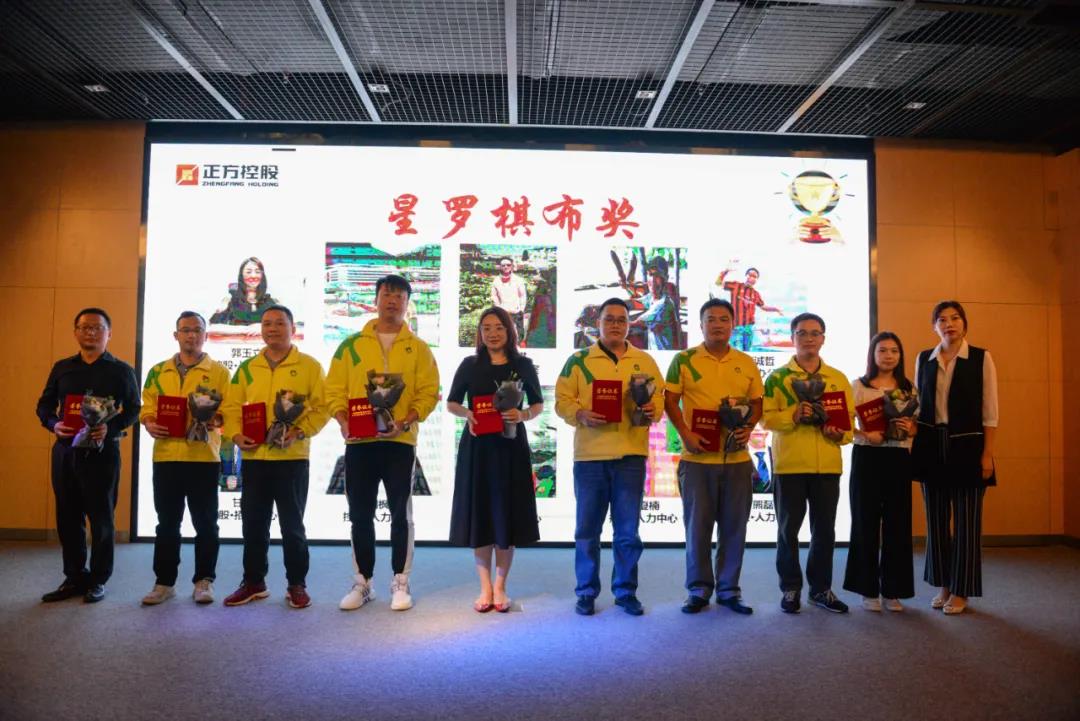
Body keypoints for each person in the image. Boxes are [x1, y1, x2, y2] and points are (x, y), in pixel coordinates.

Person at [326, 274, 440, 612]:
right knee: (360, 514)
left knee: (400, 514)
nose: (392, 301)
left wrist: (406, 420)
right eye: (387, 294)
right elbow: (333, 390)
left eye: (399, 296)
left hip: (400, 442)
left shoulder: (418, 348)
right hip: (360, 443)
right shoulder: (350, 346)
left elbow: (428, 392)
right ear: (375, 300)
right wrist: (343, 419)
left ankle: (400, 581)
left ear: (407, 303)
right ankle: (363, 582)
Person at [555, 297, 664, 616]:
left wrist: (651, 409)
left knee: (628, 531)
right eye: (609, 319)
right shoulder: (579, 360)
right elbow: (562, 401)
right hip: (590, 457)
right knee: (587, 530)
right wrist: (580, 413)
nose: (616, 324)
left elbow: (659, 402)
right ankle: (586, 591)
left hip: (631, 456)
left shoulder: (644, 361)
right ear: (598, 323)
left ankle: (626, 591)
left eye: (621, 320)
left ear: (629, 324)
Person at [220, 305, 329, 609]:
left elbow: (323, 408)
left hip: (292, 459)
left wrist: (300, 431)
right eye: (267, 324)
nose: (272, 329)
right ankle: (254, 582)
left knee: (292, 527)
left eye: (280, 323)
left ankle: (297, 584)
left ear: (293, 329)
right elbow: (231, 407)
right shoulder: (248, 368)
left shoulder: (309, 366)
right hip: (254, 458)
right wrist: (235, 435)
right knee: (253, 525)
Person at [665, 299, 763, 615]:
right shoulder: (684, 359)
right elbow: (670, 401)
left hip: (737, 461)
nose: (717, 324)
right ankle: (698, 590)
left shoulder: (746, 362)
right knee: (697, 529)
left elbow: (757, 403)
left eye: (723, 319)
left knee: (735, 529)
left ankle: (729, 590)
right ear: (701, 324)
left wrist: (748, 428)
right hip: (697, 460)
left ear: (732, 324)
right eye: (711, 319)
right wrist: (685, 434)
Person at [36, 308, 140, 604]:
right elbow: (44, 406)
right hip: (66, 453)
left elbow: (133, 409)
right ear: (76, 332)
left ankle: (98, 580)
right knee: (68, 518)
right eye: (84, 327)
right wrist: (53, 424)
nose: (91, 332)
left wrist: (110, 428)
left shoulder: (121, 370)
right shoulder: (62, 368)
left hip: (103, 454)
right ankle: (74, 576)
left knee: (102, 519)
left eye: (97, 327)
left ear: (109, 333)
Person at [447, 307, 543, 612]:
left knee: (506, 516)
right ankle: (484, 587)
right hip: (478, 448)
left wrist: (522, 415)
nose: (492, 333)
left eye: (499, 327)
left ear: (509, 331)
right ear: (480, 332)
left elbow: (538, 404)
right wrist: (468, 413)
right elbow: (451, 403)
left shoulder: (522, 365)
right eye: (486, 328)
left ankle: (500, 586)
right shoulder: (470, 365)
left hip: (510, 448)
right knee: (481, 515)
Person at [762, 312, 854, 614]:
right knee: (787, 531)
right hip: (789, 466)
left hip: (827, 466)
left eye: (815, 333)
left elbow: (848, 425)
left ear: (823, 339)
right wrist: (793, 415)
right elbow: (766, 419)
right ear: (793, 338)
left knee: (824, 531)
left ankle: (820, 589)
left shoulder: (837, 378)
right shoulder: (777, 378)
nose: (809, 338)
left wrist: (839, 434)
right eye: (802, 333)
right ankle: (790, 588)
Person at [138, 311, 231, 605]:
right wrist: (148, 422)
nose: (191, 335)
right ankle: (164, 583)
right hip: (166, 457)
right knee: (167, 523)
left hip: (203, 459)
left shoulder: (219, 372)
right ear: (175, 335)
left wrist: (215, 420)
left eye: (197, 330)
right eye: (186, 330)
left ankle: (204, 581)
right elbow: (147, 406)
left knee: (206, 524)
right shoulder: (158, 371)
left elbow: (229, 411)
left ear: (205, 335)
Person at [911, 301, 998, 616]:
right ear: (934, 326)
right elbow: (917, 405)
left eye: (955, 318)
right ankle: (944, 585)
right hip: (930, 444)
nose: (949, 324)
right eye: (942, 320)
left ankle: (961, 590)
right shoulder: (924, 359)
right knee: (935, 521)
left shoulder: (981, 358)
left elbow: (990, 411)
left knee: (967, 521)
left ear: (964, 323)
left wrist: (987, 454)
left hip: (968, 446)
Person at [842, 332, 917, 612]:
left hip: (898, 458)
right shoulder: (858, 386)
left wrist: (911, 428)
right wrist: (865, 434)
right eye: (882, 350)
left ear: (900, 356)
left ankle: (893, 591)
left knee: (898, 524)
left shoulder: (909, 388)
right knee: (865, 523)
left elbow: (918, 424)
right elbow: (845, 424)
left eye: (894, 351)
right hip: (867, 457)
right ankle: (868, 590)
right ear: (872, 354)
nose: (888, 356)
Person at [715, 265, 782, 352]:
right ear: (746, 276)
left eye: (755, 277)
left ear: (756, 280)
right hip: (736, 327)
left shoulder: (756, 294)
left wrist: (776, 309)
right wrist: (726, 271)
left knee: (747, 353)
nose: (752, 278)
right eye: (750, 275)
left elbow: (763, 307)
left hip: (748, 328)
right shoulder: (736, 286)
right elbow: (718, 283)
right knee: (736, 352)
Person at [210, 257, 280, 325]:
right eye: (248, 272)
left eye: (257, 272)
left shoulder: (269, 301)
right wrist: (220, 310)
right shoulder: (232, 300)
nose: (253, 276)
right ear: (241, 275)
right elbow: (214, 323)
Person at [633, 261, 679, 350]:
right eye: (650, 275)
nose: (653, 280)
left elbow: (637, 323)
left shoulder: (665, 304)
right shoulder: (652, 297)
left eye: (657, 275)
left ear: (666, 278)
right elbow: (636, 303)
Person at [490, 257, 527, 341]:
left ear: (512, 266)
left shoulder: (518, 280)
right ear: (500, 267)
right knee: (504, 334)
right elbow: (494, 295)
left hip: (517, 311)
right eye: (503, 265)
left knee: (520, 335)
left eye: (508, 265)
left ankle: (519, 346)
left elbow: (523, 295)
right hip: (503, 311)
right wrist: (498, 307)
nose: (506, 267)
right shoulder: (496, 280)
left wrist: (521, 309)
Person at [525, 279, 555, 348]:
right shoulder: (537, 297)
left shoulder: (546, 297)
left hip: (543, 321)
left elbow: (550, 309)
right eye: (541, 286)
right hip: (537, 320)